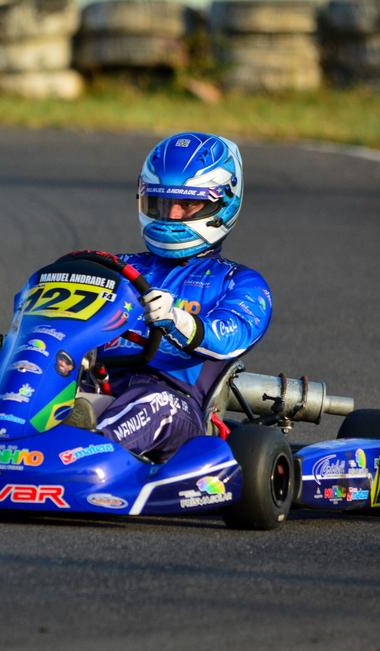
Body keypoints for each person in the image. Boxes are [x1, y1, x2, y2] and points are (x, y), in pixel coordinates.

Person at [92, 131, 272, 462]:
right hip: (96, 385)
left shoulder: (240, 283)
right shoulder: (116, 267)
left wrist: (178, 320)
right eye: (161, 203)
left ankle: (87, 453)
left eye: (187, 204)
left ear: (221, 202)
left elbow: (230, 337)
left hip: (177, 404)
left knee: (154, 403)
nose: (172, 215)